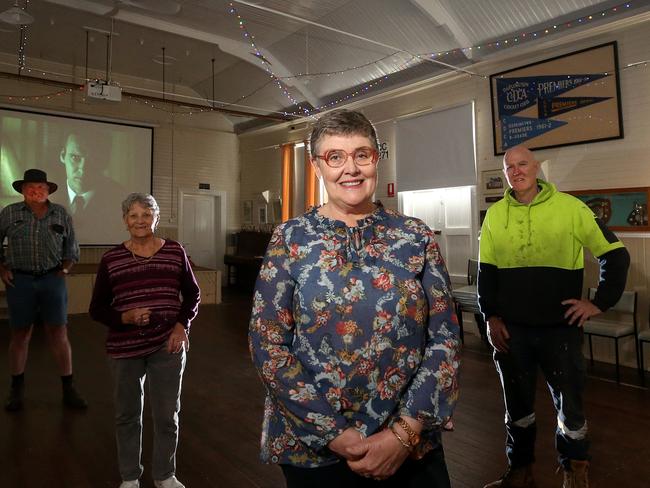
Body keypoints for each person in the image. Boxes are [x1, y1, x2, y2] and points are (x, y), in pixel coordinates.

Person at [249, 109, 461, 488]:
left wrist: (404, 432)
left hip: (409, 443)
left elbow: (445, 337)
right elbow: (267, 342)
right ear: (317, 165)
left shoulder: (415, 236)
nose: (351, 168)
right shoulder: (290, 238)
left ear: (376, 159)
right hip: (315, 448)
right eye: (335, 157)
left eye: (361, 155)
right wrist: (332, 432)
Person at [478, 146, 630, 488]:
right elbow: (487, 274)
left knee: (571, 410)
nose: (517, 171)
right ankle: (520, 471)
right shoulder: (495, 215)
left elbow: (616, 256)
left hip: (560, 331)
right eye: (509, 167)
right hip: (511, 333)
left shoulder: (571, 208)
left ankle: (575, 471)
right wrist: (491, 316)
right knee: (517, 408)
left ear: (536, 168)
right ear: (505, 173)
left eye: (523, 164)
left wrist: (599, 303)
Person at [89, 193, 200, 488]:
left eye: (146, 214)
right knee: (128, 416)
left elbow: (192, 294)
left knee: (167, 416)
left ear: (156, 218)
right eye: (134, 215)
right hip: (125, 349)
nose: (140, 220)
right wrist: (124, 317)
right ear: (125, 220)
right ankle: (129, 477)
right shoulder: (111, 259)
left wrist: (181, 325)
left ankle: (165, 475)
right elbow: (97, 308)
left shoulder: (175, 251)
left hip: (168, 345)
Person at [0, 168, 87, 411]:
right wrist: (1, 269)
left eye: (41, 187)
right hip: (20, 281)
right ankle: (16, 390)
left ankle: (69, 389)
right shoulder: (9, 213)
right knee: (20, 335)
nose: (36, 191)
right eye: (31, 187)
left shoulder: (61, 213)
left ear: (48, 190)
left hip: (52, 280)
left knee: (58, 333)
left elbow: (72, 247)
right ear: (23, 191)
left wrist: (66, 269)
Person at [58, 131, 125, 224]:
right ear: (62, 155)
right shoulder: (45, 195)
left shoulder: (122, 201)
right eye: (75, 157)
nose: (83, 168)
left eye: (94, 160)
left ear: (105, 162)